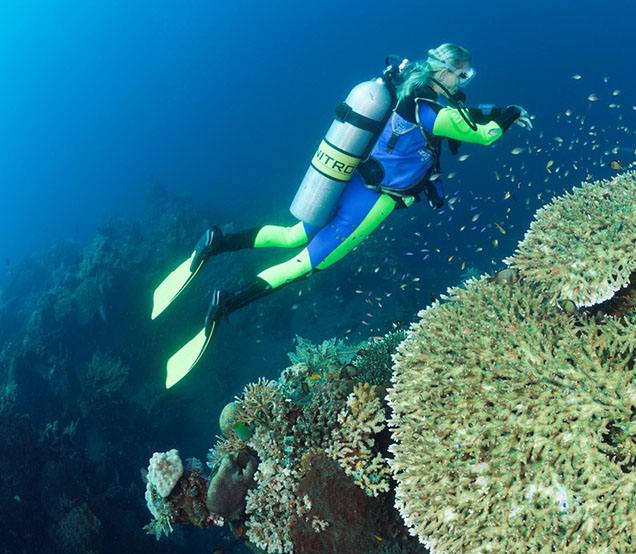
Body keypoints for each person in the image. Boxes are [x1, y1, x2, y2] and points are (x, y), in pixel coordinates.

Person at [155, 43, 532, 388]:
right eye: (463, 74)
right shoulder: (430, 110)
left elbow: (468, 114)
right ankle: (225, 304)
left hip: (349, 182)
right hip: (373, 201)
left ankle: (217, 242)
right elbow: (483, 134)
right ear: (445, 71)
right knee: (305, 264)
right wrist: (511, 114)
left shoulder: (410, 90)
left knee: (292, 234)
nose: (464, 81)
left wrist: (497, 112)